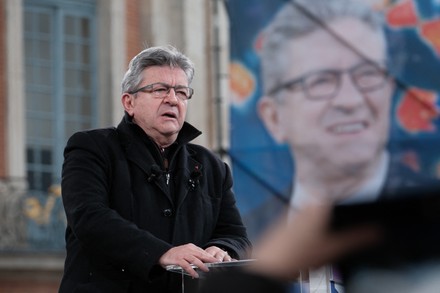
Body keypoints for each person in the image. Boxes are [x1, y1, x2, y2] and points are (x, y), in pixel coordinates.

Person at [59, 45, 252, 293]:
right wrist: (163, 253)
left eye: (181, 92)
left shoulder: (211, 166)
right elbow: (89, 218)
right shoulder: (92, 147)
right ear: (129, 102)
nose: (172, 99)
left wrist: (223, 248)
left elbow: (237, 235)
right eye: (160, 89)